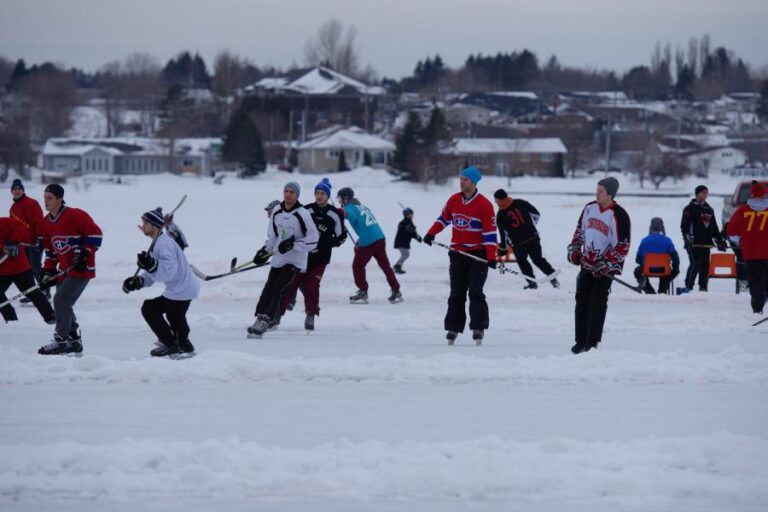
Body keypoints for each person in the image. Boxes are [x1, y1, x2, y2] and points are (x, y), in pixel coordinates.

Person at [423, 166, 497, 345]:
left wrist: (491, 257)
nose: (461, 182)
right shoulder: (454, 200)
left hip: (477, 255)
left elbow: (490, 234)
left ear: (473, 182)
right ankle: (453, 327)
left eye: (465, 179)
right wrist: (431, 233)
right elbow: (443, 219)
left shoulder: (484, 205)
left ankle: (478, 327)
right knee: (456, 292)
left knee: (476, 292)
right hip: (457, 253)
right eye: (461, 178)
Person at [122, 207, 200, 357]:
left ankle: (170, 344)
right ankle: (184, 344)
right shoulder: (159, 242)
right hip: (186, 287)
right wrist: (138, 281)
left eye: (145, 223)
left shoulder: (163, 244)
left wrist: (152, 265)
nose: (142, 226)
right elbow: (154, 273)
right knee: (175, 316)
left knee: (149, 309)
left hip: (181, 289)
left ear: (155, 226)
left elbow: (167, 272)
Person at [37, 184, 103, 356]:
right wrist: (48, 271)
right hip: (64, 271)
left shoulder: (75, 214)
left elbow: (96, 235)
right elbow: (50, 251)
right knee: (63, 304)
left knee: (60, 301)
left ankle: (61, 340)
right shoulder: (45, 222)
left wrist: (85, 252)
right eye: (45, 197)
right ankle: (73, 340)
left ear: (59, 199)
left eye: (50, 198)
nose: (46, 201)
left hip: (81, 269)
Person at [567, 177, 630, 354]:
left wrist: (607, 263)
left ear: (610, 194)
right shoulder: (589, 208)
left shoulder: (620, 215)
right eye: (597, 190)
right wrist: (575, 250)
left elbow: (623, 245)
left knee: (597, 302)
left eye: (600, 191)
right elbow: (580, 231)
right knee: (581, 300)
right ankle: (580, 340)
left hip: (604, 270)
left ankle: (592, 342)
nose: (597, 194)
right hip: (587, 264)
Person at [247, 182, 319, 338]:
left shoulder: (302, 213)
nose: (288, 194)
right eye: (286, 191)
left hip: (295, 261)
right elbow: (273, 236)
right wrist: (264, 252)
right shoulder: (277, 211)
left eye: (292, 192)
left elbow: (314, 239)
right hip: (279, 259)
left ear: (297, 195)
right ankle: (259, 317)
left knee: (278, 289)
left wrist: (294, 244)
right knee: (268, 288)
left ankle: (266, 321)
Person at [277, 178, 347, 331]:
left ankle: (311, 314)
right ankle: (277, 316)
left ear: (328, 196)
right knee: (290, 285)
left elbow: (341, 238)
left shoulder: (334, 214)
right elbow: (295, 229)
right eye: (317, 193)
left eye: (322, 193)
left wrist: (326, 243)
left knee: (312, 286)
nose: (319, 196)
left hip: (320, 259)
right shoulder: (306, 210)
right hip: (301, 257)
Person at [337, 187, 402, 304]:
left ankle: (363, 291)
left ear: (345, 199)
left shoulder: (349, 208)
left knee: (358, 266)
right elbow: (366, 224)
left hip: (368, 241)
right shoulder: (363, 207)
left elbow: (349, 214)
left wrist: (342, 213)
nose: (340, 202)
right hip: (380, 238)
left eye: (340, 199)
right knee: (385, 265)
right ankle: (396, 289)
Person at [493, 189, 559, 290]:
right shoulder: (521, 202)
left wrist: (503, 248)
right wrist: (531, 226)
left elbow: (503, 235)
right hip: (533, 237)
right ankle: (553, 277)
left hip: (518, 244)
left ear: (501, 200)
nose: (496, 203)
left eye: (496, 201)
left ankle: (532, 283)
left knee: (522, 261)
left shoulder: (500, 215)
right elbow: (536, 214)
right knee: (538, 259)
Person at [0, 217, 55, 325]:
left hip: (19, 268)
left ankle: (51, 316)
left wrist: (14, 241)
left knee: (31, 291)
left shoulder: (3, 223)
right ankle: (10, 319)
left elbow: (21, 227)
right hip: (2, 271)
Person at [726, 180, 768, 315]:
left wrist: (738, 239)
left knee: (755, 280)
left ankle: (757, 308)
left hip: (750, 252)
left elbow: (732, 231)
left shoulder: (743, 210)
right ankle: (764, 296)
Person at [680, 185, 727, 292]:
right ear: (697, 194)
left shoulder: (709, 209)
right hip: (693, 243)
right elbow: (684, 226)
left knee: (705, 266)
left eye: (706, 193)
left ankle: (703, 287)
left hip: (706, 243)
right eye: (703, 192)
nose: (705, 195)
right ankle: (689, 286)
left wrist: (720, 241)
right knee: (696, 263)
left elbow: (714, 227)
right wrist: (687, 238)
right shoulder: (689, 209)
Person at [9, 179, 49, 302]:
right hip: (22, 244)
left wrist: (40, 237)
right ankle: (34, 294)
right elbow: (13, 227)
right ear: (11, 191)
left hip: (34, 242)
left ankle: (46, 292)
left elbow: (38, 222)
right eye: (14, 189)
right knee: (26, 271)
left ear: (23, 190)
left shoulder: (31, 203)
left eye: (19, 189)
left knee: (36, 268)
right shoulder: (13, 208)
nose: (16, 191)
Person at [633, 217, 680, 294]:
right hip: (664, 270)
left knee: (637, 272)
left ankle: (650, 292)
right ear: (662, 228)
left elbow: (638, 260)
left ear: (650, 227)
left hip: (648, 269)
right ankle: (662, 291)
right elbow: (676, 258)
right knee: (669, 273)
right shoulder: (667, 240)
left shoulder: (644, 240)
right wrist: (675, 270)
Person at [393, 208, 421, 274]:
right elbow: (408, 231)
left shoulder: (409, 222)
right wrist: (413, 231)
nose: (412, 215)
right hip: (401, 242)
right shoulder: (403, 223)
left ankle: (398, 266)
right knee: (406, 254)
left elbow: (412, 232)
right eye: (410, 214)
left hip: (404, 242)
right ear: (406, 215)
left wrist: (417, 237)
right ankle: (397, 266)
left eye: (412, 214)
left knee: (405, 255)